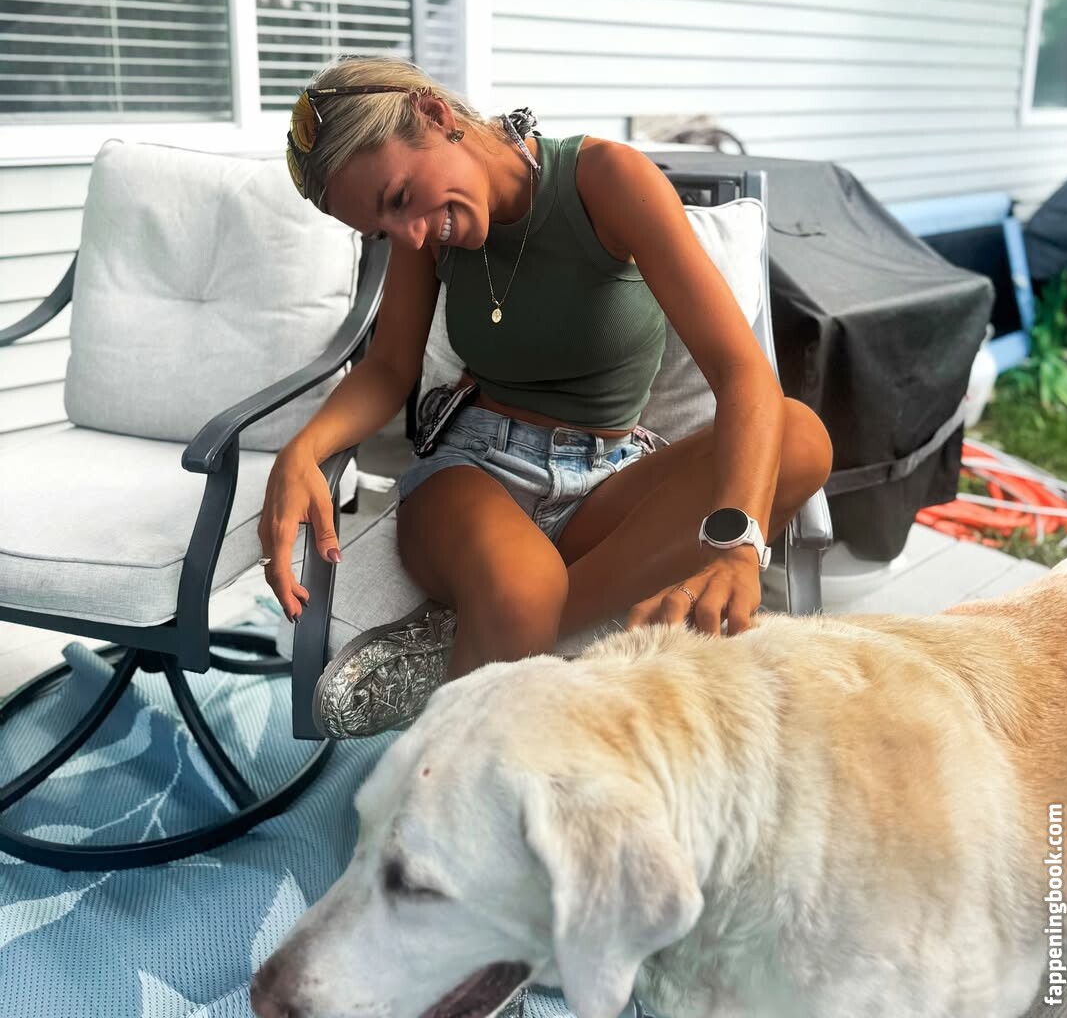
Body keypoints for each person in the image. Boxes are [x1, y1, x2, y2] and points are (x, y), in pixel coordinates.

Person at [259, 55, 833, 736]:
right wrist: (303, 450)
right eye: (383, 231)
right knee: (521, 587)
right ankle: (499, 644)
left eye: (401, 199)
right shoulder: (424, 231)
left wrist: (737, 543)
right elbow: (388, 368)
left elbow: (744, 376)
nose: (408, 236)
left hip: (609, 483)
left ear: (435, 116)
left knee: (800, 437)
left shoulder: (607, 180)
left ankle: (466, 643)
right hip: (474, 475)